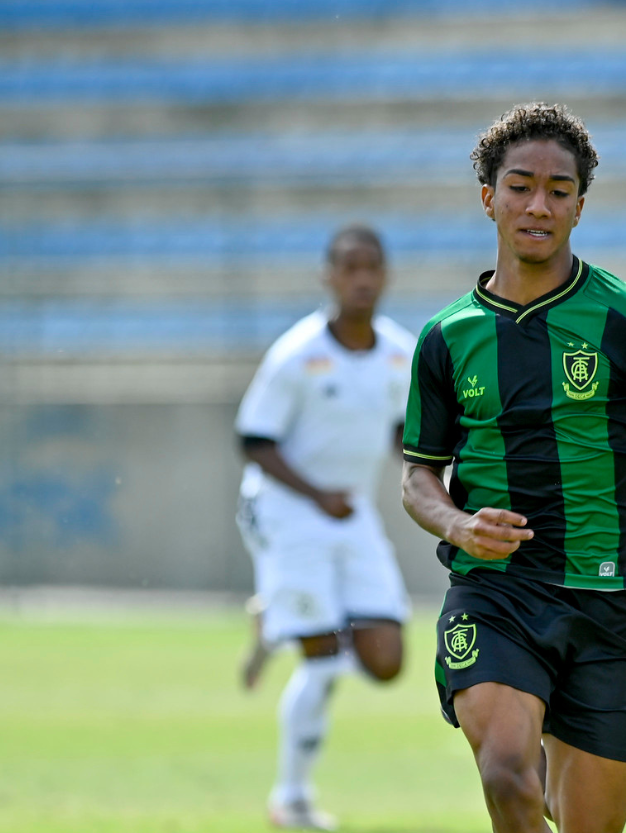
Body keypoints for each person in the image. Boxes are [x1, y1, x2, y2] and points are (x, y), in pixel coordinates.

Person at [400, 103, 626, 833]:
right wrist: (459, 522)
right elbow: (417, 476)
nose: (538, 205)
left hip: (603, 601)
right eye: (520, 186)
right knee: (509, 773)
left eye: (558, 190)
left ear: (581, 204)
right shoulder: (446, 337)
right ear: (489, 196)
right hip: (496, 595)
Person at [234, 224, 415, 830]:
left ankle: (277, 618)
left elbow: (401, 431)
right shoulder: (297, 354)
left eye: (372, 267)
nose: (362, 279)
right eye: (350, 268)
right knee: (324, 659)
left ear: (386, 276)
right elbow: (254, 440)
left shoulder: (399, 351)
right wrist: (315, 495)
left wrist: (431, 473)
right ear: (329, 277)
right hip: (287, 511)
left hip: (350, 511)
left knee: (386, 660)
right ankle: (291, 799)